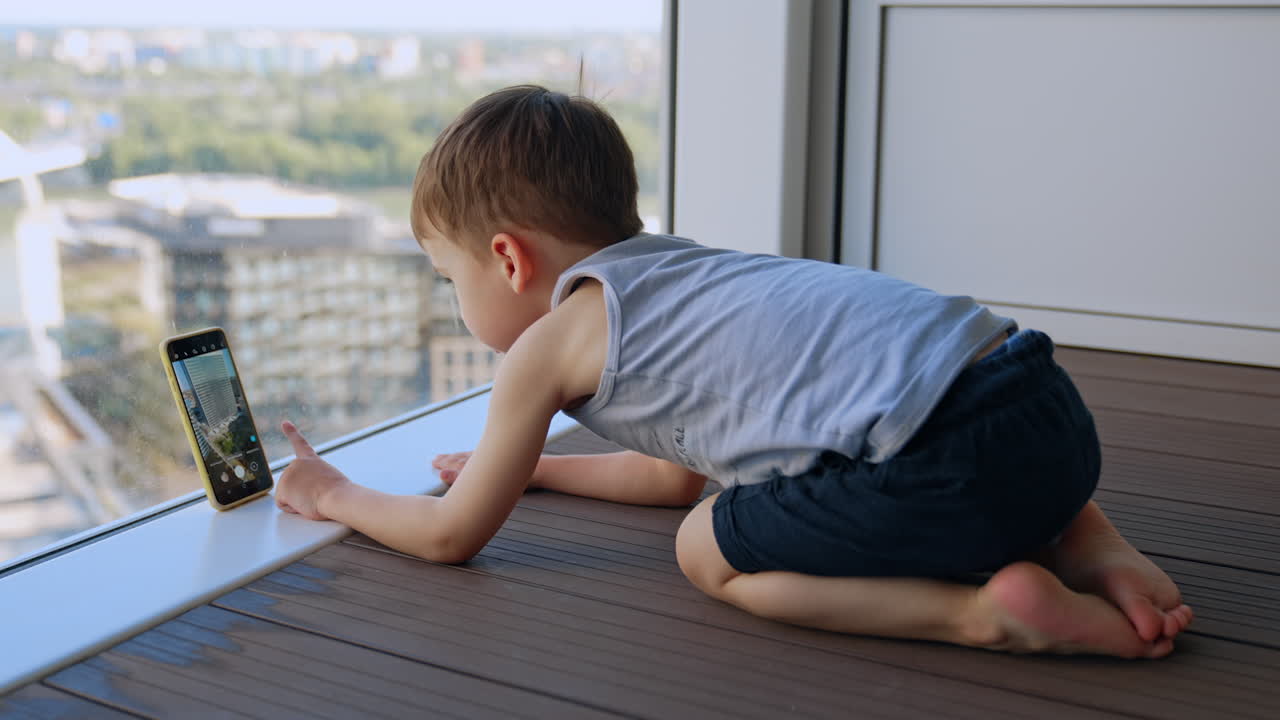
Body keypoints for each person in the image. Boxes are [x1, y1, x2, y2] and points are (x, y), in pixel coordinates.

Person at [274, 84, 1193, 658]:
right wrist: (539, 470)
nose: (457, 302)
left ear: (509, 260)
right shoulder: (681, 265)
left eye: (450, 279)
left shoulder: (546, 346)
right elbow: (680, 464)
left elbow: (450, 539)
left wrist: (332, 496)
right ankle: (1093, 544)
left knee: (708, 546)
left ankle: (983, 616)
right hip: (1049, 411)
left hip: (944, 470)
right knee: (944, 408)